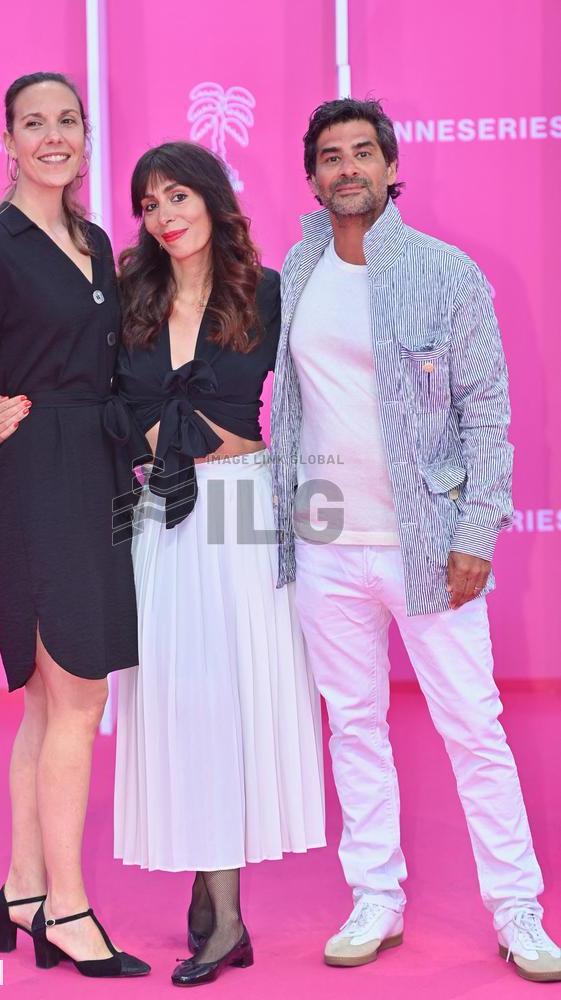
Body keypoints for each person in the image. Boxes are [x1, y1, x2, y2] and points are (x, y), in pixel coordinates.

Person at [270, 97, 561, 983]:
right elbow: (283, 402)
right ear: (312, 175)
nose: (346, 168)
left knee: (472, 726)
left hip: (427, 545)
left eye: (363, 153)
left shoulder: (446, 273)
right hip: (325, 541)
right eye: (330, 156)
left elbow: (487, 412)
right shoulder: (296, 265)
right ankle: (376, 897)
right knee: (352, 725)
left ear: (392, 169)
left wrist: (476, 530)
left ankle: (519, 913)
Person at [0, 72, 149, 979]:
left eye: (68, 121)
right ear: (7, 142)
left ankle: (22, 890)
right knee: (80, 698)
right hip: (36, 488)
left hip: (92, 473)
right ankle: (67, 907)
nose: (53, 136)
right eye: (34, 124)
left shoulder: (97, 242)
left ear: (85, 137)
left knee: (50, 703)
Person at [113, 141, 326, 987]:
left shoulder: (265, 291)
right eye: (149, 204)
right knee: (178, 697)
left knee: (232, 699)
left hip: (241, 499)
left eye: (178, 197)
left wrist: (328, 517)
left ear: (210, 198)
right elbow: (95, 397)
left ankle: (224, 911)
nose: (165, 216)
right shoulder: (130, 294)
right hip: (154, 513)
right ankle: (212, 890)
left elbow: (321, 400)